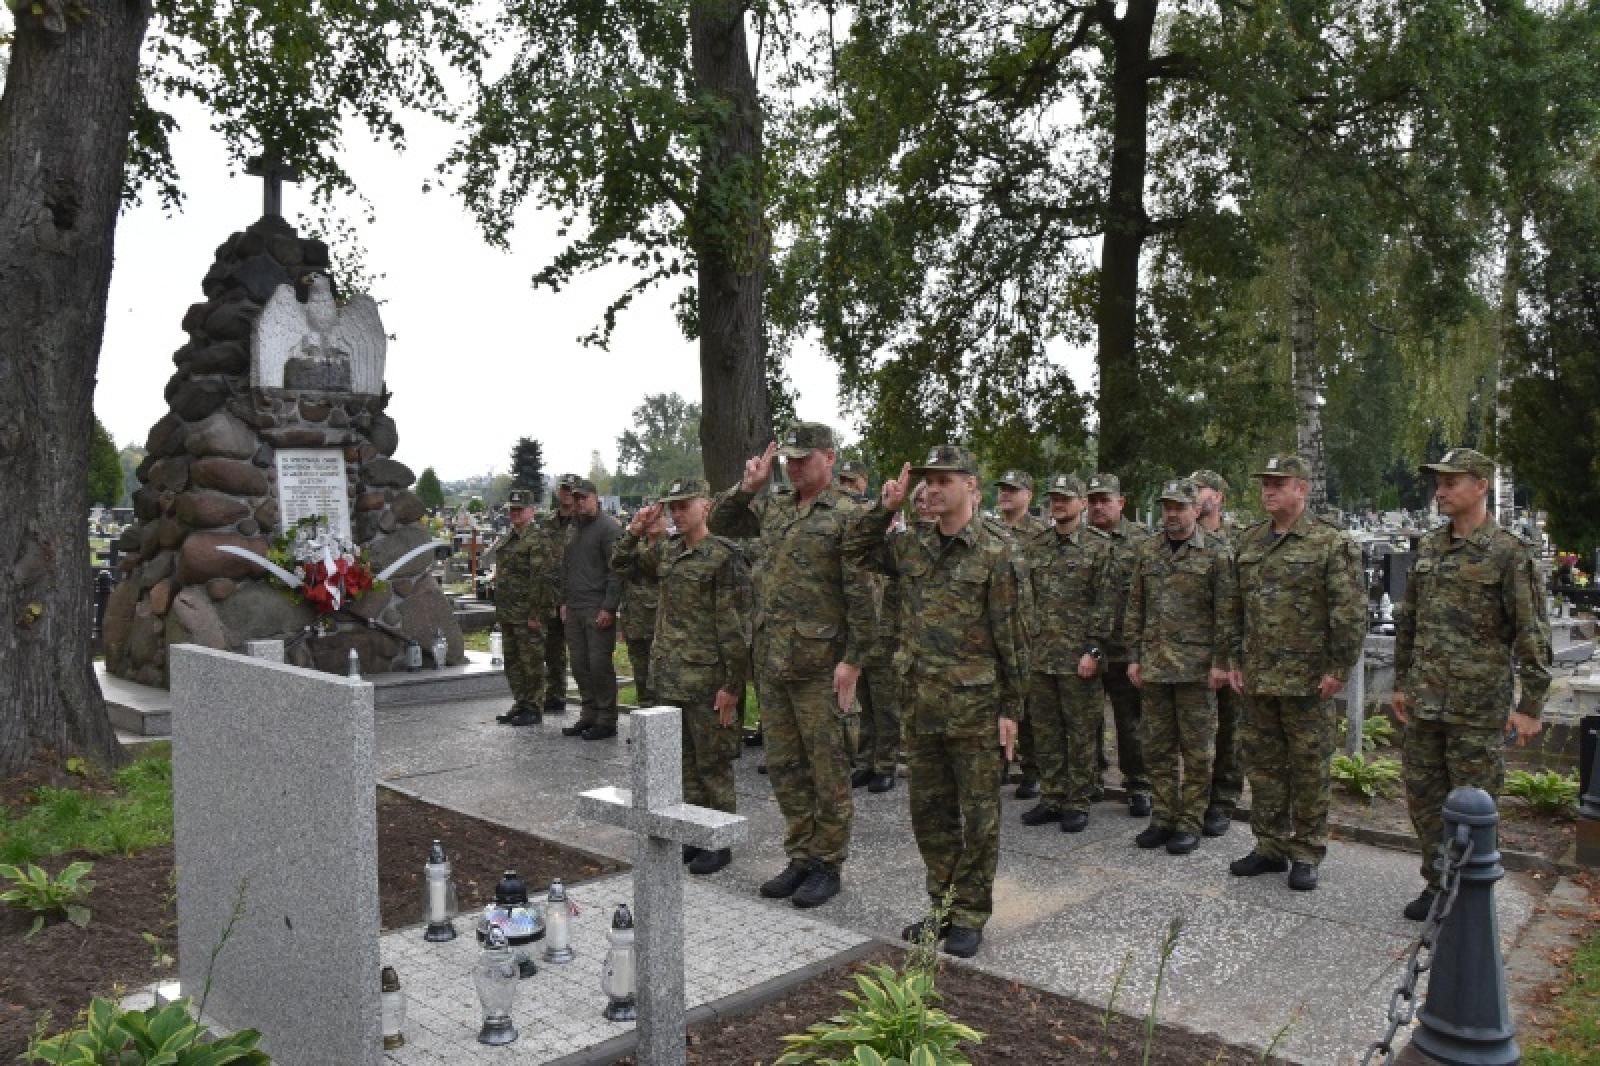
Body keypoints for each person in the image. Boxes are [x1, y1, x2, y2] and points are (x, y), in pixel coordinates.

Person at [848, 446, 1029, 958]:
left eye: (944, 479)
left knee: (979, 816)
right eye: (928, 480)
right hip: (922, 704)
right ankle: (942, 907)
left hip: (976, 708)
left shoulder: (999, 551)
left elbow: (1015, 636)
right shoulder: (912, 546)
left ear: (972, 485)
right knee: (930, 815)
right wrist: (886, 507)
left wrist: (1011, 709)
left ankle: (971, 913)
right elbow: (855, 549)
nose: (932, 488)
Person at [709, 422, 875, 909]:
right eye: (790, 458)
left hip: (823, 667)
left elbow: (863, 597)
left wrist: (854, 661)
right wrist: (749, 486)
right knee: (784, 766)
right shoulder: (776, 505)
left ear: (830, 457)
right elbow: (720, 520)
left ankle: (828, 863)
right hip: (774, 661)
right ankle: (800, 854)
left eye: (805, 458)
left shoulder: (850, 513)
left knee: (828, 768)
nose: (795, 466)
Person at [1393, 447, 1550, 920]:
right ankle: (1437, 883)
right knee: (1423, 798)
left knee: (1473, 805)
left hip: (1477, 708)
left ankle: (1467, 893)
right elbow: (1410, 620)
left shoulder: (1507, 553)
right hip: (1425, 702)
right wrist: (1401, 681)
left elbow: (1532, 632)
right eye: (1438, 482)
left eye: (1451, 482)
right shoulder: (1428, 547)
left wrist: (1531, 706)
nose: (1440, 491)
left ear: (1480, 486)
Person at [1227, 456, 1366, 891]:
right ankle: (1269, 846)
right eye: (1265, 484)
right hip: (1259, 678)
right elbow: (1233, 609)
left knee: (1308, 768)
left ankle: (1306, 851)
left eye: (1278, 483)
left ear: (1301, 489)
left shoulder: (1330, 543)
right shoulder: (1249, 542)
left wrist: (1338, 667)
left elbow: (1350, 611)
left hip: (1308, 680)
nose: (1268, 491)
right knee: (1264, 767)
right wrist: (1232, 660)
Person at [611, 478, 752, 875]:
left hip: (707, 680)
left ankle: (719, 841)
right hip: (669, 677)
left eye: (684, 505)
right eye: (671, 506)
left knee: (714, 764)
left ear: (706, 506)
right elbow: (620, 565)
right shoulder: (668, 553)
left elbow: (737, 629)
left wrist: (732, 687)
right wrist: (636, 529)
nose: (676, 513)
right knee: (682, 764)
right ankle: (695, 833)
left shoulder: (723, 557)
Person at [1123, 477, 1239, 855]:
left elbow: (1226, 613)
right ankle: (1163, 817)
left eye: (1179, 507)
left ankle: (1190, 820)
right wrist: (1134, 657)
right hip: (1155, 668)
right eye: (1166, 507)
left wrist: (1222, 663)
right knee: (1156, 748)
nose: (1171, 514)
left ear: (1195, 509)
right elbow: (1136, 606)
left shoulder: (1217, 553)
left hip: (1196, 670)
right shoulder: (1147, 551)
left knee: (1197, 751)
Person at [1021, 474, 1117, 832]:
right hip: (1041, 655)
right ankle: (1052, 797)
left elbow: (1106, 603)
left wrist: (1094, 649)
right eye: (1054, 499)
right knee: (1045, 730)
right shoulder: (1036, 546)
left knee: (1080, 732)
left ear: (1081, 504)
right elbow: (1024, 599)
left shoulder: (1099, 547)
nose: (1058, 504)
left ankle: (1078, 800)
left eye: (1065, 498)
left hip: (1080, 657)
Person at [1086, 474, 1153, 815]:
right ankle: (1091, 777)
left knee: (1130, 722)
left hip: (1125, 650)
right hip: (1087, 648)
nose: (1098, 506)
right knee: (1088, 718)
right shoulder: (1078, 539)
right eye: (1093, 499)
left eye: (1105, 499)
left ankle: (1138, 784)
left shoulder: (1143, 542)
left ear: (1121, 502)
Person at [1191, 468, 1243, 836]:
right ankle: (1195, 798)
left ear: (1219, 498)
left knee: (1231, 729)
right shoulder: (1180, 539)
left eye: (1202, 490)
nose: (1195, 495)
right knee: (1196, 733)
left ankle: (1223, 800)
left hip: (1232, 651)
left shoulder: (1239, 541)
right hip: (1192, 653)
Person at [557, 477, 624, 740]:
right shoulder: (573, 527)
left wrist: (609, 607)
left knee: (599, 665)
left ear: (596, 497)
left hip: (597, 606)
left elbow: (616, 571)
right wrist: (564, 601)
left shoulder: (608, 528)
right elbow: (567, 567)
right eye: (576, 499)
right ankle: (588, 714)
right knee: (579, 664)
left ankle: (606, 718)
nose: (580, 503)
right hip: (574, 606)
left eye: (584, 498)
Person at [994, 470, 1046, 799]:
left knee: (1029, 705)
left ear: (1028, 495)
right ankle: (998, 764)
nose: (1005, 495)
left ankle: (1032, 770)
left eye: (1013, 490)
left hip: (1028, 630)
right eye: (1002, 490)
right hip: (995, 628)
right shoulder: (988, 529)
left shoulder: (1040, 535)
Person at [491, 489, 561, 726]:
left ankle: (534, 706)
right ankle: (520, 702)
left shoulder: (538, 539)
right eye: (512, 509)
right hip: (509, 611)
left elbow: (542, 579)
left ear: (531, 511)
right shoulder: (509, 537)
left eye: (520, 509)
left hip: (528, 613)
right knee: (512, 661)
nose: (515, 514)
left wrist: (536, 614)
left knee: (531, 662)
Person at [615, 499, 668, 707]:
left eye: (658, 517)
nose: (653, 521)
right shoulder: (636, 545)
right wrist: (633, 532)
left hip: (660, 627)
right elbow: (617, 563)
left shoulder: (672, 545)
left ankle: (665, 731)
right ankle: (646, 726)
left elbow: (651, 563)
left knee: (662, 684)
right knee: (642, 681)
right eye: (649, 517)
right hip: (636, 625)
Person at [538, 476, 577, 712]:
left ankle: (592, 705)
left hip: (574, 594)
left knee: (580, 651)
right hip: (551, 594)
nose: (566, 494)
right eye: (563, 489)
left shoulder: (582, 522)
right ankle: (555, 694)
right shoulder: (548, 522)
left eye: (571, 491)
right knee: (552, 649)